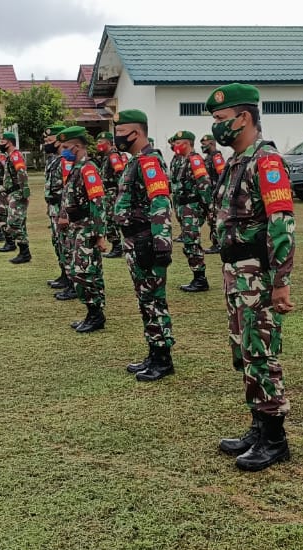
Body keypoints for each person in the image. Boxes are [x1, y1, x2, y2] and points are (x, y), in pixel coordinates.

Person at [207, 83, 297, 472]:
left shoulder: (267, 162)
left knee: (261, 351)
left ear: (244, 118)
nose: (217, 129)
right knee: (244, 351)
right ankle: (259, 426)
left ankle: (275, 438)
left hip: (257, 274)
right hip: (235, 272)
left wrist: (281, 279)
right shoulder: (236, 162)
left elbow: (282, 223)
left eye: (221, 120)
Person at [112, 110, 177, 380]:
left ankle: (163, 359)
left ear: (135, 133)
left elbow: (160, 201)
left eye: (120, 132)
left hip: (146, 240)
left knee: (153, 299)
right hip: (136, 239)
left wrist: (161, 243)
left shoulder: (149, 162)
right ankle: (154, 352)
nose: (117, 138)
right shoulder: (135, 162)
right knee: (144, 299)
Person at [57, 126, 107, 332]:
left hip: (87, 227)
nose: (63, 150)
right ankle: (92, 312)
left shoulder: (88, 169)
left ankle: (96, 314)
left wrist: (100, 234)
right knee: (79, 271)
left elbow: (98, 202)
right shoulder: (76, 168)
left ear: (77, 147)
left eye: (66, 147)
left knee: (85, 272)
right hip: (76, 226)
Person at [170, 130, 213, 292]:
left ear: (187, 144)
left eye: (178, 143)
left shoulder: (195, 160)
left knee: (192, 242)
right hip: (184, 207)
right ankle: (197, 277)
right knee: (189, 241)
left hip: (192, 207)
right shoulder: (182, 160)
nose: (175, 146)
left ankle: (200, 279)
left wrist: (209, 208)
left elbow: (204, 184)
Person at [43, 125, 74, 295]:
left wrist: (64, 211)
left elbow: (67, 187)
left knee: (67, 245)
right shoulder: (53, 159)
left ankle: (72, 281)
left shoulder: (65, 160)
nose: (46, 144)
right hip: (53, 208)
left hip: (62, 208)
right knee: (58, 243)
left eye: (50, 140)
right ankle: (64, 274)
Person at [0, 131, 33, 264]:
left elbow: (22, 173)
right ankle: (24, 253)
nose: (0, 144)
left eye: (2, 141)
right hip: (12, 193)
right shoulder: (9, 156)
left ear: (9, 142)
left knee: (14, 223)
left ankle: (24, 252)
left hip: (18, 194)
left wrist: (25, 192)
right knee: (19, 224)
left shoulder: (16, 156)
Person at [98, 132, 127, 258]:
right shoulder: (106, 156)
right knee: (109, 220)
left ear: (108, 143)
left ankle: (117, 247)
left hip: (112, 192)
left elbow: (120, 173)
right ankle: (117, 245)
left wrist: (119, 192)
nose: (98, 144)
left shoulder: (113, 156)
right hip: (107, 192)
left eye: (100, 142)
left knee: (110, 220)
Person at [201, 134, 228, 255]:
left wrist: (219, 193)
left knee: (216, 218)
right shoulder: (208, 157)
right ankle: (216, 243)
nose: (202, 147)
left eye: (204, 144)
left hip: (216, 194)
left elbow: (222, 175)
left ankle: (219, 244)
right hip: (210, 194)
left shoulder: (216, 157)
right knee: (211, 219)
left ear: (211, 143)